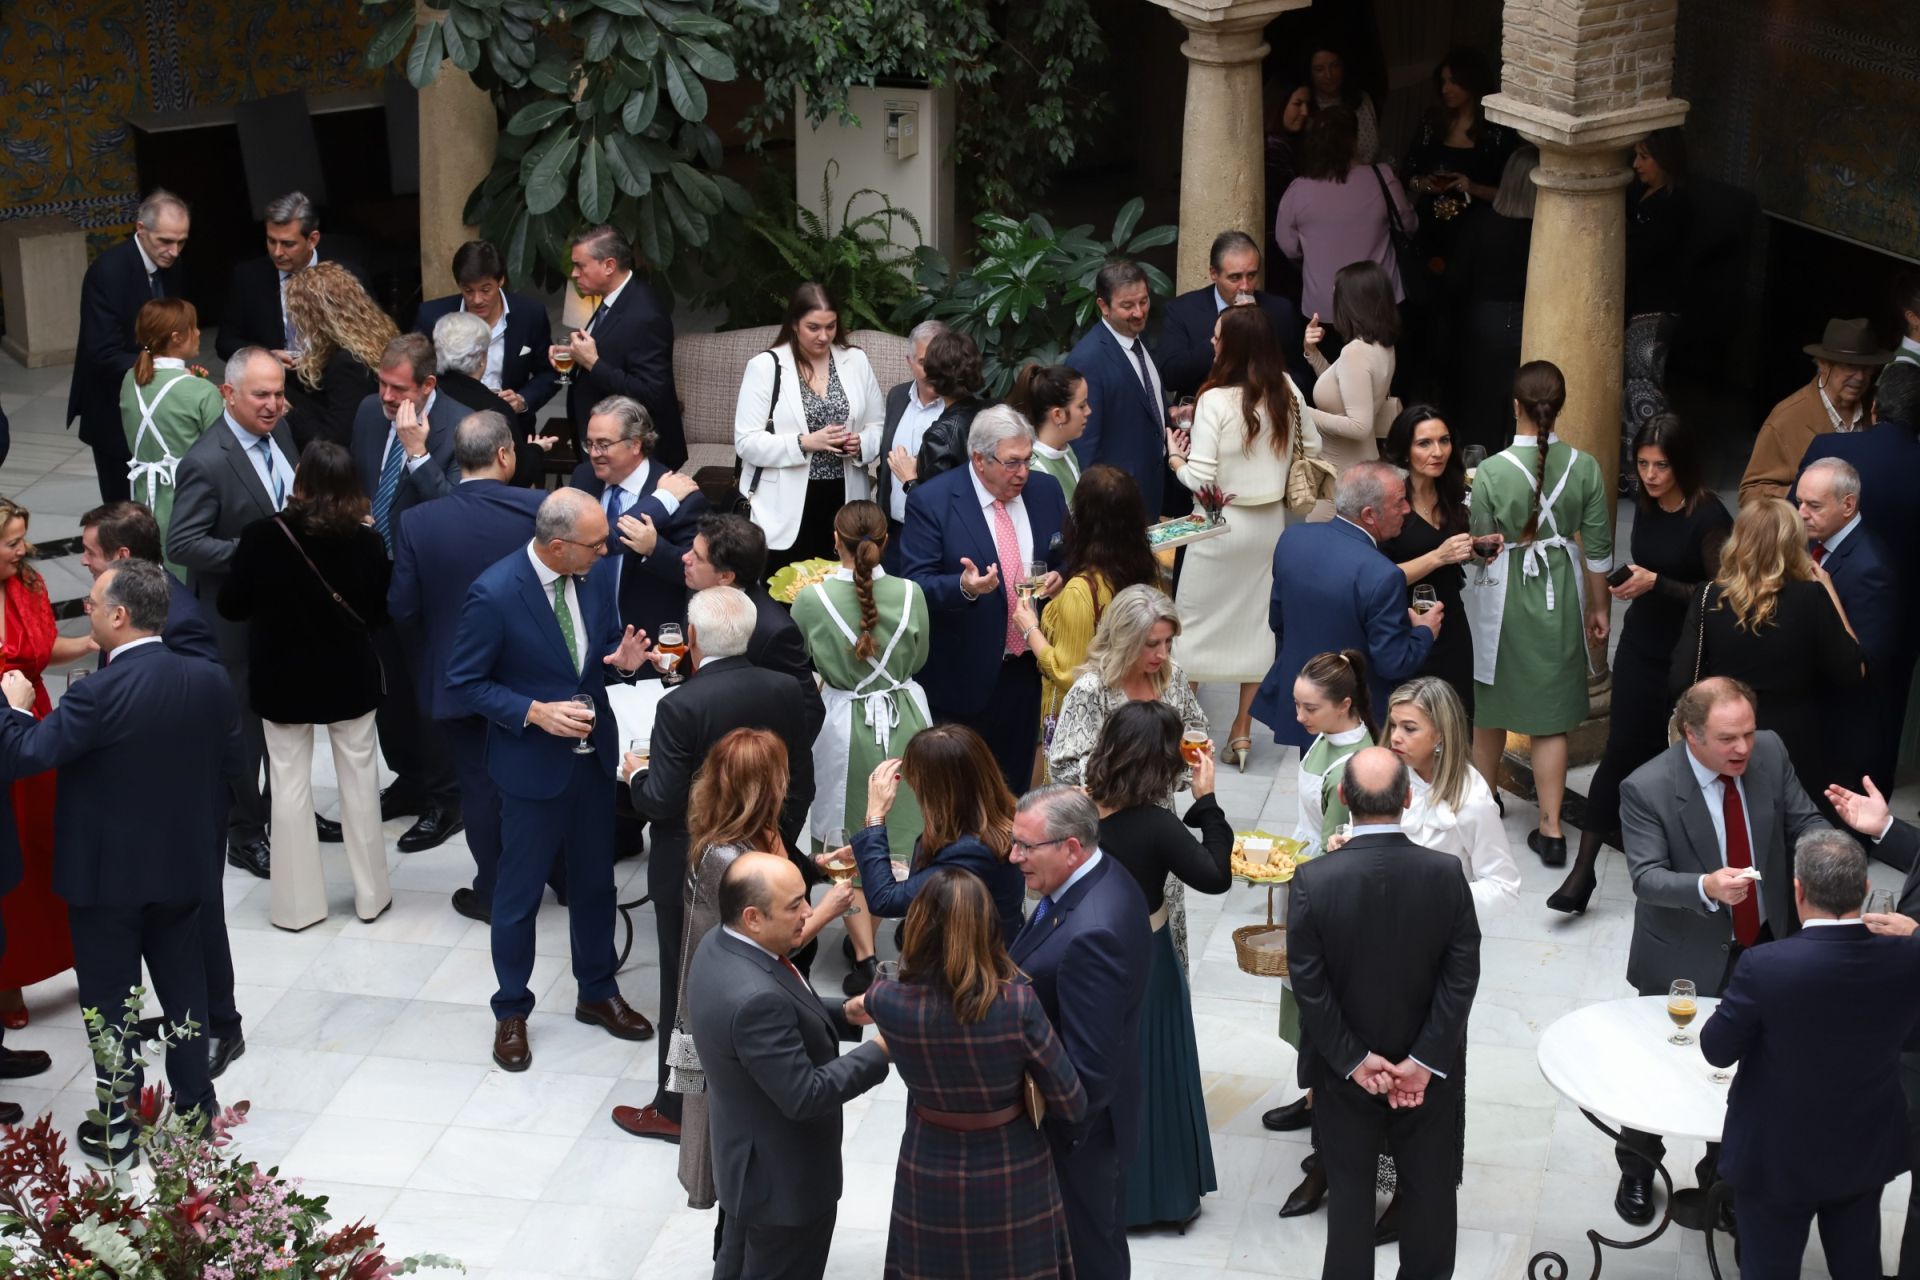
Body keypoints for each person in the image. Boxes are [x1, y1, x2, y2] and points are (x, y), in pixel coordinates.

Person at [0, 561, 239, 1165]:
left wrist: (13, 706)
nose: (85, 605)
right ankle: (195, 1110)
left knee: (109, 1004)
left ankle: (117, 1124)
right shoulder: (209, 680)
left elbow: (29, 753)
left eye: (93, 600)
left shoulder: (96, 694)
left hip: (107, 880)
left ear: (119, 615)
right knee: (185, 990)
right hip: (182, 867)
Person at [444, 488, 657, 1073]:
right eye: (596, 543)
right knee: (517, 898)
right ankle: (511, 1009)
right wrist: (534, 711)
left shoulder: (588, 577)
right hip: (530, 767)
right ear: (558, 547)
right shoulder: (494, 593)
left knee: (595, 883)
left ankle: (597, 990)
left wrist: (617, 661)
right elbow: (463, 682)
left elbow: (584, 657)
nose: (606, 550)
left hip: (591, 759)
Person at [1611, 677, 1828, 1226]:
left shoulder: (1770, 751)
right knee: (1661, 1066)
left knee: (1750, 1070)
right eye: (1728, 738)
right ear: (1691, 734)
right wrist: (1705, 888)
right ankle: (1638, 1168)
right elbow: (1647, 878)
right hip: (1684, 955)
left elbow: (1803, 821)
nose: (1743, 750)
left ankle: (1722, 1177)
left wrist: (1828, 855)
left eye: (1749, 734)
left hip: (1765, 943)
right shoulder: (1647, 786)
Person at [624, 585, 817, 1140]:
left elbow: (660, 799)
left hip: (692, 862)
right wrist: (778, 837)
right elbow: (796, 772)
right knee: (761, 970)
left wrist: (634, 772)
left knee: (683, 982)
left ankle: (675, 1107)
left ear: (690, 639)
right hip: (762, 849)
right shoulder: (783, 688)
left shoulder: (679, 705)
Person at [1285, 747, 1481, 1280]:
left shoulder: (1313, 881)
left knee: (1350, 1199)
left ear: (1344, 798)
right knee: (1431, 1194)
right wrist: (1423, 1060)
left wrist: (1353, 1059)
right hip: (1429, 1077)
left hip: (1346, 1074)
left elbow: (1309, 985)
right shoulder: (1446, 874)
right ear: (1409, 798)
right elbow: (1460, 977)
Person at [636, 728, 853, 1207]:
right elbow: (780, 942)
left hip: (734, 992)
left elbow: (783, 869)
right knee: (726, 1134)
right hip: (722, 1005)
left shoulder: (751, 831)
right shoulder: (728, 858)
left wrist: (817, 865)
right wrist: (829, 908)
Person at [1696, 830, 1920, 1278]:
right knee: (1858, 1266)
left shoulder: (1766, 966)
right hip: (1864, 1146)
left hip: (1777, 1157)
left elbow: (1716, 1050)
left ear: (1797, 891)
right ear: (1865, 890)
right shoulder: (1908, 957)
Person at [854, 867, 1087, 1279]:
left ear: (918, 925)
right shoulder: (1017, 1005)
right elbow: (1071, 1100)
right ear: (986, 927)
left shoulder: (886, 999)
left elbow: (885, 993)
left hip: (927, 1161)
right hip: (1011, 1164)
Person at [1550, 415, 1731, 914]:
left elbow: (1723, 595)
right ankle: (1582, 873)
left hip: (1687, 653)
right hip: (1641, 645)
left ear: (1683, 464)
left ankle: (1681, 870)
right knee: (1620, 750)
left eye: (1661, 465)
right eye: (1643, 464)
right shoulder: (1649, 506)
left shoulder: (1709, 517)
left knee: (1676, 757)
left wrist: (1658, 585)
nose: (1650, 476)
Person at [684, 851, 891, 1280]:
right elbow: (805, 1095)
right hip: (784, 1184)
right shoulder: (754, 997)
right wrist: (883, 1050)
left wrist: (845, 1013)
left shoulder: (719, 946)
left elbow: (777, 1019)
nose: (810, 913)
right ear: (753, 917)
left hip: (747, 1167)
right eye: (794, 905)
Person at [217, 441, 390, 932]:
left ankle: (296, 907)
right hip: (349, 679)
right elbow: (379, 614)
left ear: (300, 483)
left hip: (282, 678)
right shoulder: (368, 543)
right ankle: (371, 896)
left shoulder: (262, 537)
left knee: (289, 787)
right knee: (360, 784)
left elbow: (232, 606)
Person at [388, 412, 544, 924]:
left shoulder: (417, 521)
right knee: (545, 779)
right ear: (505, 455)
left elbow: (403, 608)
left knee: (479, 788)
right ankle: (558, 877)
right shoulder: (540, 510)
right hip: (534, 676)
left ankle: (495, 891)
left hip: (459, 677)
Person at [1085, 701, 1232, 1229]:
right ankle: (1158, 1197)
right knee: (1154, 1071)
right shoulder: (1154, 825)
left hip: (1086, 959)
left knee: (1100, 1073)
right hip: (1144, 957)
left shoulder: (1075, 809)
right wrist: (1208, 802)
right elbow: (1215, 875)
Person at [1467, 361, 1612, 869]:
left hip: (1504, 593)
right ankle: (1551, 829)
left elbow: (1483, 545)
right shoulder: (1586, 467)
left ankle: (1483, 809)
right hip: (1560, 590)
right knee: (1552, 719)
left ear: (1515, 406)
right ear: (1561, 405)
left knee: (1489, 704)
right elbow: (1598, 551)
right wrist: (1600, 608)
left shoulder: (1491, 470)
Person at [1008, 784, 1153, 1279]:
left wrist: (1050, 1135)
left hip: (1080, 1139)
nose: (1014, 857)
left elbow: (1089, 1070)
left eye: (1026, 847)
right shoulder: (1093, 879)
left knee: (1088, 1257)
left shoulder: (1092, 930)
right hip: (1083, 1130)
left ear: (1071, 848)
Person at [166, 347, 300, 878]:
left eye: (278, 394)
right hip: (232, 619)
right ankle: (244, 832)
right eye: (261, 395)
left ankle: (285, 811)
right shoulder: (206, 460)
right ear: (228, 394)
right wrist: (256, 555)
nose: (273, 406)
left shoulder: (280, 434)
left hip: (281, 614)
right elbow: (182, 543)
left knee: (284, 717)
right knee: (243, 728)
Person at [1169, 303, 1318, 767]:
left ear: (1233, 345)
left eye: (1217, 337)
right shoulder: (1287, 390)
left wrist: (1175, 459)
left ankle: (1189, 727)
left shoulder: (1214, 400)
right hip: (1268, 526)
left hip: (1216, 527)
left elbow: (1203, 479)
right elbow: (1311, 447)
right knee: (1257, 629)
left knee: (1192, 627)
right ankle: (1241, 732)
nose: (1212, 344)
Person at [790, 500, 930, 977]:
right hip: (905, 720)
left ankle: (865, 955)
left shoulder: (810, 599)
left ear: (835, 540)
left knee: (848, 834)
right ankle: (891, 930)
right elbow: (921, 655)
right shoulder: (912, 592)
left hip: (843, 723)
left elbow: (806, 657)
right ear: (885, 541)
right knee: (900, 830)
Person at [902, 408, 1068, 797]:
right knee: (958, 795)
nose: (1023, 472)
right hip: (963, 676)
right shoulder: (933, 500)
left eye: (1028, 460)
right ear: (979, 458)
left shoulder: (1045, 492)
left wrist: (1063, 573)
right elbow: (913, 585)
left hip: (1029, 670)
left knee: (1013, 790)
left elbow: (1070, 553)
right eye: (1012, 462)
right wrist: (963, 587)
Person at [352, 332, 474, 852]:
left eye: (398, 389)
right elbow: (360, 477)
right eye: (381, 384)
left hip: (430, 583)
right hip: (374, 576)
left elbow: (460, 512)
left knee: (429, 690)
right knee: (389, 688)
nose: (385, 397)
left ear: (427, 386)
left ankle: (447, 799)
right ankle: (409, 778)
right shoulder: (364, 412)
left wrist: (418, 456)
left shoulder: (460, 426)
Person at [1047, 584, 1209, 969]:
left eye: (1168, 642)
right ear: (1123, 638)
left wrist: (1189, 764)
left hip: (1159, 833)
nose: (1162, 654)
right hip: (1108, 836)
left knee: (1164, 940)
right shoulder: (1092, 689)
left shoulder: (1172, 678)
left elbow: (1195, 733)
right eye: (1152, 644)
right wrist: (1129, 773)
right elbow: (1062, 767)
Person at [1671, 498, 1862, 808]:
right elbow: (1851, 670)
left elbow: (1680, 678)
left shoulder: (1709, 596)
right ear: (1792, 544)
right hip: (1795, 739)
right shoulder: (1811, 597)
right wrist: (1829, 593)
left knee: (1730, 822)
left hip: (1724, 734)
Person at [1262, 650, 1375, 1158]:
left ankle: (1327, 1117)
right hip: (1302, 873)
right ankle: (1312, 1098)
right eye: (1297, 705)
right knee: (1304, 1003)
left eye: (1309, 709)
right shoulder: (1326, 740)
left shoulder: (1357, 764)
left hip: (1325, 892)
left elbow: (1341, 846)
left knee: (1322, 1001)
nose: (1299, 718)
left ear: (1344, 705)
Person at [1251, 461, 1442, 750]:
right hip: (1355, 720)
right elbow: (1394, 663)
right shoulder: (1382, 575)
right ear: (1369, 515)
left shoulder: (1292, 540)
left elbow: (1278, 622)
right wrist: (1425, 632)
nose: (1406, 509)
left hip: (1307, 703)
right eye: (1400, 502)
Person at [0, 498, 91, 1026]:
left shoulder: (27, 586)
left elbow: (39, 648)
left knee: (43, 847)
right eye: (12, 542)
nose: (24, 550)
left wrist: (89, 641)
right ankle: (6, 980)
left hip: (34, 727)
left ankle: (65, 954)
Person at [1012, 464, 1157, 778]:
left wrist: (1030, 629)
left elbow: (1069, 673)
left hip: (1083, 728)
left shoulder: (1083, 589)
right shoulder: (1142, 572)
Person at [733, 282, 887, 570]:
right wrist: (803, 442)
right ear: (794, 323)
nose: (823, 336)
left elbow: (878, 424)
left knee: (839, 589)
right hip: (784, 503)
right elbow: (745, 442)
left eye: (830, 326)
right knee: (786, 591)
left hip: (844, 497)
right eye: (813, 327)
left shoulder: (855, 360)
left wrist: (860, 444)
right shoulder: (766, 366)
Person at [848, 723, 1028, 962]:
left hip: (971, 973)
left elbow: (885, 900)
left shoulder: (973, 850)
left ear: (939, 792)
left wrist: (874, 816)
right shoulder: (989, 818)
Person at [71, 189, 190, 503]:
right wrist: (161, 364)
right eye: (165, 241)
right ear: (141, 229)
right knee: (120, 507)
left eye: (181, 241)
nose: (174, 251)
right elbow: (102, 352)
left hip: (155, 404)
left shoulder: (171, 263)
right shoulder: (108, 272)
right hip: (113, 407)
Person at [1796, 457, 1902, 803]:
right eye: (1799, 502)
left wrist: (1826, 592)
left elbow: (1865, 664)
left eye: (1813, 505)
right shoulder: (1813, 543)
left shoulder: (1871, 566)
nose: (1800, 513)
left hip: (1843, 728)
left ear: (1848, 505)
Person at [568, 394, 706, 642]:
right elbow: (578, 540)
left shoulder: (685, 498)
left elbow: (697, 571)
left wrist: (655, 549)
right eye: (589, 444)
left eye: (604, 444)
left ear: (635, 444)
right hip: (584, 634)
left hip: (644, 639)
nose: (594, 453)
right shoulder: (583, 478)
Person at [679, 513, 825, 741]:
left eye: (697, 557)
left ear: (725, 577)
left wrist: (761, 764)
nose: (685, 558)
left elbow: (809, 712)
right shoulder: (697, 589)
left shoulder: (773, 631)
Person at [1275, 108, 1418, 337]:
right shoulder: (1382, 177)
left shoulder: (1298, 190)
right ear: (1353, 140)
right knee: (1383, 370)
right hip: (1379, 301)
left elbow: (1289, 246)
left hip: (1323, 307)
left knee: (1326, 371)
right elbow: (1408, 225)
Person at [1387, 677, 1522, 914]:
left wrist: (1437, 896)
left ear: (1440, 734)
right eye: (1393, 725)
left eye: (1409, 728)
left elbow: (1504, 888)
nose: (1395, 737)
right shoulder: (1386, 773)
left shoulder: (1471, 800)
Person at [559, 225, 684, 466]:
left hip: (632, 459)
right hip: (606, 451)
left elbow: (651, 394)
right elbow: (615, 351)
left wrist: (592, 363)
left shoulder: (646, 315)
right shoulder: (615, 298)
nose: (574, 274)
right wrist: (574, 356)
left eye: (580, 266)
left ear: (608, 265)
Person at [1379, 404, 1476, 714]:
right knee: (1412, 723)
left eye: (1444, 441)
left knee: (1457, 719)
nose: (1438, 452)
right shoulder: (1387, 501)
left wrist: (1473, 548)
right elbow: (1379, 579)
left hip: (1451, 624)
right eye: (1425, 443)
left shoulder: (1451, 493)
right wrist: (1438, 556)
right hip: (1404, 626)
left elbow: (1450, 555)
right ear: (1405, 450)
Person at [1738, 317, 1893, 506]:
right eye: (1850, 366)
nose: (1860, 377)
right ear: (1823, 365)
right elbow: (1750, 494)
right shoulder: (1787, 418)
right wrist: (1810, 497)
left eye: (1867, 368)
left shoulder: (1881, 406)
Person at [120, 297, 223, 579]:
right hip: (188, 501)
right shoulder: (201, 392)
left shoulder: (130, 379)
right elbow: (223, 454)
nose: (200, 333)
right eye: (194, 327)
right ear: (177, 337)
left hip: (143, 500)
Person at [413, 238, 559, 434]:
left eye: (485, 289)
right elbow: (415, 372)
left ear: (501, 281)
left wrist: (523, 400)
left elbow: (550, 372)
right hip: (448, 428)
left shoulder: (530, 315)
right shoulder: (433, 316)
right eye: (468, 290)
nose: (477, 299)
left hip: (510, 428)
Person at [1444, 147, 1538, 453]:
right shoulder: (1544, 230)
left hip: (1484, 319)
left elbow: (1456, 279)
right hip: (1531, 321)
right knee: (1525, 403)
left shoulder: (1481, 223)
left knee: (1481, 400)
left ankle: (1478, 471)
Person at [1065, 261, 1172, 516]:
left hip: (1152, 492)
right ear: (1103, 305)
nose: (1138, 312)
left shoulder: (1139, 338)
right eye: (1127, 306)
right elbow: (1085, 446)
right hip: (1116, 505)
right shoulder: (1088, 359)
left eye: (1143, 302)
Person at [1155, 229, 1306, 403]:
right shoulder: (1182, 310)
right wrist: (1220, 340)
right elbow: (1170, 376)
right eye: (1235, 278)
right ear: (1214, 274)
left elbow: (1301, 376)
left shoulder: (1280, 310)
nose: (1245, 286)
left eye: (1252, 275)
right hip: (1203, 416)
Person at [1401, 47, 1518, 272]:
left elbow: (1511, 193)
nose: (1446, 89)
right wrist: (1423, 184)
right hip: (1430, 230)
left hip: (1475, 235)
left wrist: (1472, 187)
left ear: (1472, 82)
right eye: (1443, 82)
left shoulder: (1496, 132)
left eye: (1453, 82)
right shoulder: (1433, 123)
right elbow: (1406, 172)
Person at [1301, 261, 1401, 500]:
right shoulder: (1381, 345)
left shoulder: (1355, 352)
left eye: (1337, 294)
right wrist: (1311, 352)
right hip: (1359, 468)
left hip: (1341, 476)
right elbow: (1343, 389)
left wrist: (1302, 411)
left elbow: (1359, 426)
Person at [215, 191, 351, 360]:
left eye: (288, 244)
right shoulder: (247, 277)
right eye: (271, 241)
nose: (277, 252)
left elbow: (366, 340)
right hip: (273, 378)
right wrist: (268, 357)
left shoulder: (345, 275)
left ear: (312, 240)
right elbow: (226, 342)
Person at [432, 310, 555, 489]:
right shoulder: (495, 409)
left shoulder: (428, 393)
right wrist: (536, 449)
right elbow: (517, 475)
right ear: (482, 358)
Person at [281, 263, 396, 451]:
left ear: (317, 318)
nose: (296, 322)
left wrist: (288, 412)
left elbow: (335, 442)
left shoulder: (348, 363)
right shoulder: (369, 340)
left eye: (300, 315)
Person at [873, 320, 950, 565]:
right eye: (924, 362)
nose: (933, 371)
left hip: (941, 534)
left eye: (940, 361)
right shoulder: (897, 396)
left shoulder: (963, 409)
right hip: (894, 530)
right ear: (909, 361)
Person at [1624, 129, 1692, 330]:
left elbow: (1646, 252)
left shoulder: (1674, 203)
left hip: (1653, 308)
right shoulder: (1639, 190)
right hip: (1633, 298)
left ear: (1664, 159)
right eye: (1636, 156)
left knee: (1641, 360)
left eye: (1644, 157)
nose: (1636, 164)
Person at [903, 329, 990, 485]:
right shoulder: (994, 412)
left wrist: (909, 479)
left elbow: (935, 504)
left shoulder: (939, 436)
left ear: (932, 375)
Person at [1263, 70, 1314, 304]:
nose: (1304, 112)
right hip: (1279, 254)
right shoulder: (1273, 149)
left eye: (1307, 104)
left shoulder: (1294, 144)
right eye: (1297, 104)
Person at [1008, 362, 1090, 503]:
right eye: (1082, 406)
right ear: (1058, 415)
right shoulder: (1035, 472)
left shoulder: (1066, 450)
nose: (1088, 411)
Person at [1307, 43, 1380, 164]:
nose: (1328, 75)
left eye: (1334, 66)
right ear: (1310, 73)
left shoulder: (1362, 99)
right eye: (1319, 69)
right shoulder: (1305, 107)